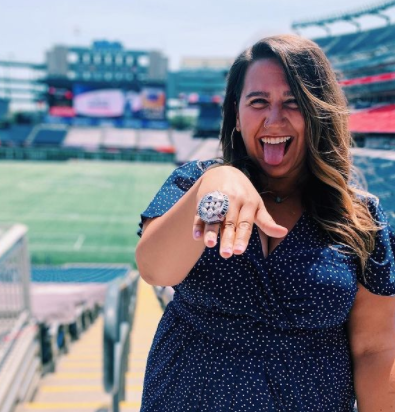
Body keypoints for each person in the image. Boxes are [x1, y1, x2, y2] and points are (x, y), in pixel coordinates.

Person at [135, 34, 395, 411]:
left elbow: (376, 349)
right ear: (236, 116)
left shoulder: (361, 217)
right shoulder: (194, 183)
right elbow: (154, 268)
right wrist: (215, 185)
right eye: (258, 102)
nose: (274, 118)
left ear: (318, 113)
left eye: (294, 102)